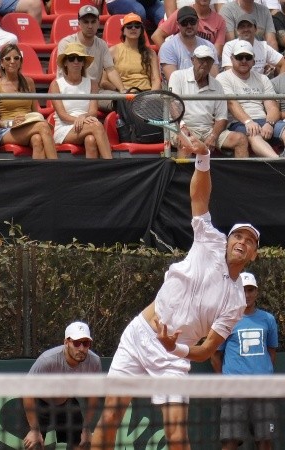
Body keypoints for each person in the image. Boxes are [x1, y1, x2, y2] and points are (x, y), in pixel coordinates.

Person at [90, 140, 260, 450]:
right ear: (227, 240)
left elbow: (208, 349)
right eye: (238, 235)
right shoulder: (210, 240)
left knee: (178, 438)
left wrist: (177, 349)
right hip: (140, 334)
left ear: (253, 255)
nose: (242, 241)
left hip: (174, 355)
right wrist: (204, 157)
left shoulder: (236, 301)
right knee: (111, 416)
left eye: (250, 241)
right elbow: (199, 195)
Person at [211, 272, 279, 450]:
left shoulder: (268, 319)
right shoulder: (226, 319)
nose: (247, 295)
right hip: (234, 390)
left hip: (263, 389)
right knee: (230, 441)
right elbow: (215, 355)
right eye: (243, 290)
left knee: (265, 440)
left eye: (250, 290)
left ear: (256, 292)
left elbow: (271, 352)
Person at [216, 40, 285, 158]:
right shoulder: (223, 78)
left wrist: (269, 123)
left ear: (253, 61)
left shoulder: (262, 78)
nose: (243, 61)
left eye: (247, 57)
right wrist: (248, 122)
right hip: (237, 123)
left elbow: (272, 106)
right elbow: (231, 103)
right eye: (239, 57)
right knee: (253, 133)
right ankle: (277, 160)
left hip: (263, 120)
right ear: (232, 59)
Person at [22, 321, 101, 450]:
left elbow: (93, 397)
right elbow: (27, 391)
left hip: (66, 402)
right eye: (76, 343)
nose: (81, 348)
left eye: (86, 343)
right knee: (34, 444)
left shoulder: (94, 362)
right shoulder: (47, 360)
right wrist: (34, 430)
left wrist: (86, 429)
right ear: (66, 342)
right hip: (40, 403)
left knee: (83, 443)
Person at [169, 45, 249, 158]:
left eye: (208, 60)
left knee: (241, 139)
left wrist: (213, 136)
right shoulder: (177, 76)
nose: (205, 63)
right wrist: (182, 128)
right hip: (180, 126)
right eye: (201, 59)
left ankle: (242, 176)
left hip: (207, 130)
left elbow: (222, 118)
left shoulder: (217, 85)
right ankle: (184, 175)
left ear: (212, 63)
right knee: (185, 142)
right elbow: (173, 105)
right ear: (193, 60)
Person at [0, 43, 57, 159]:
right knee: (43, 127)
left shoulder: (29, 82)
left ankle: (38, 176)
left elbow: (36, 112)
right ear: (2, 63)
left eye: (16, 58)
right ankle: (59, 171)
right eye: (8, 58)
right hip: (6, 129)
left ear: (21, 61)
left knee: (37, 140)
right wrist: (10, 123)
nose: (12, 61)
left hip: (28, 124)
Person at [58, 5, 127, 112]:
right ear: (79, 23)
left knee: (124, 101)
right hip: (73, 91)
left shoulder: (102, 44)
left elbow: (110, 69)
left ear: (98, 23)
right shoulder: (67, 43)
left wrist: (122, 90)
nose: (90, 26)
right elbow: (62, 73)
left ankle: (129, 128)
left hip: (96, 91)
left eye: (93, 22)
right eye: (86, 22)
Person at [49, 42, 113, 159]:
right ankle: (111, 165)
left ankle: (92, 176)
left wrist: (82, 118)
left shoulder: (92, 84)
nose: (76, 62)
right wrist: (79, 120)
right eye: (71, 58)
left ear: (83, 62)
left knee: (90, 140)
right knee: (97, 126)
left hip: (86, 123)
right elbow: (62, 115)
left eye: (79, 58)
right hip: (64, 128)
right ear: (65, 63)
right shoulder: (56, 84)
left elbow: (93, 111)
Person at [159, 6, 219, 82]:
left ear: (198, 22)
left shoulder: (209, 46)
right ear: (178, 24)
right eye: (184, 23)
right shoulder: (168, 47)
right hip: (179, 92)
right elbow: (173, 82)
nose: (189, 26)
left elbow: (214, 79)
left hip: (205, 91)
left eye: (192, 21)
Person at [151, 0, 226, 59]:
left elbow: (217, 53)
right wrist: (171, 56)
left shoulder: (220, 21)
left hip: (205, 62)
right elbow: (157, 36)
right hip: (182, 62)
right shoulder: (182, 13)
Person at [109, 13, 162, 92]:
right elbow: (104, 81)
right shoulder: (113, 51)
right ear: (123, 31)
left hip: (146, 93)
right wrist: (120, 91)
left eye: (137, 26)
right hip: (123, 94)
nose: (133, 28)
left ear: (141, 30)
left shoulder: (151, 53)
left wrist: (151, 96)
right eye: (129, 26)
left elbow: (156, 79)